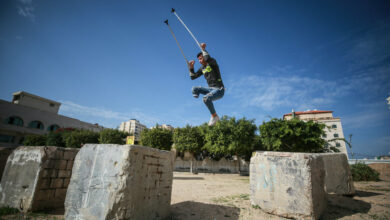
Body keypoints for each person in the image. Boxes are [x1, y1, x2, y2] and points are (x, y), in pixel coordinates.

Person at [188, 43, 225, 126]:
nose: (200, 61)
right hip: (210, 89)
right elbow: (193, 77)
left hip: (219, 89)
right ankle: (202, 97)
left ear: (204, 57)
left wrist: (203, 49)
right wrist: (191, 67)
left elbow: (207, 58)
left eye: (201, 58)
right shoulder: (202, 68)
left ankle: (214, 116)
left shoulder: (212, 62)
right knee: (194, 89)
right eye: (199, 60)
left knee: (206, 98)